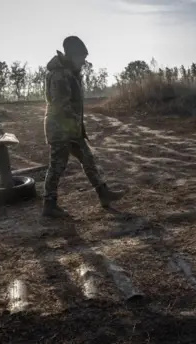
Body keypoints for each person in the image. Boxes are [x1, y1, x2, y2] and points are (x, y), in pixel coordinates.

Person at [42, 35, 124, 217]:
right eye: (81, 58)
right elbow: (61, 105)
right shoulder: (59, 74)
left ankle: (104, 194)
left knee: (88, 159)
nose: (83, 62)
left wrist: (77, 127)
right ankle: (49, 205)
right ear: (71, 55)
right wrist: (74, 125)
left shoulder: (71, 73)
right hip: (61, 128)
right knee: (57, 166)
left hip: (71, 128)